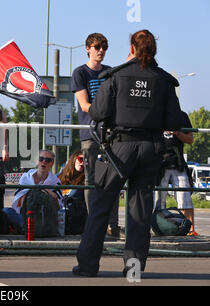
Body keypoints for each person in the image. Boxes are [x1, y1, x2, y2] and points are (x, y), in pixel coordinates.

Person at [73, 29, 184, 278]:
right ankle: (133, 270)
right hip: (150, 149)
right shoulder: (164, 80)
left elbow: (98, 112)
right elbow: (175, 120)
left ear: (132, 49)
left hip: (119, 149)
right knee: (140, 212)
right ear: (153, 50)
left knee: (101, 206)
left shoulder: (116, 76)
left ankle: (88, 266)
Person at [71, 33, 122, 238]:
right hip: (90, 133)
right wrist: (106, 112)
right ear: (88, 48)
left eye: (104, 47)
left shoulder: (110, 72)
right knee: (91, 180)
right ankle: (95, 225)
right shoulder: (80, 73)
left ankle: (113, 225)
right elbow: (84, 105)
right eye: (97, 46)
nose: (101, 50)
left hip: (111, 134)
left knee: (114, 178)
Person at [155, 111, 197, 235]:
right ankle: (156, 228)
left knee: (185, 199)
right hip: (159, 163)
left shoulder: (181, 115)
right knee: (157, 201)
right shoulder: (155, 113)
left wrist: (177, 133)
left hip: (178, 163)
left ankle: (190, 230)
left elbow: (190, 139)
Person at [4, 150, 62, 232]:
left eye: (47, 160)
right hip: (25, 215)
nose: (44, 162)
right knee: (5, 211)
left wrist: (47, 192)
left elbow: (58, 207)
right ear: (37, 161)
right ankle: (25, 227)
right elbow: (18, 202)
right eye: (41, 159)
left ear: (52, 163)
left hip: (44, 219)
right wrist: (35, 193)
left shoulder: (55, 181)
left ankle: (26, 228)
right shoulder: (26, 177)